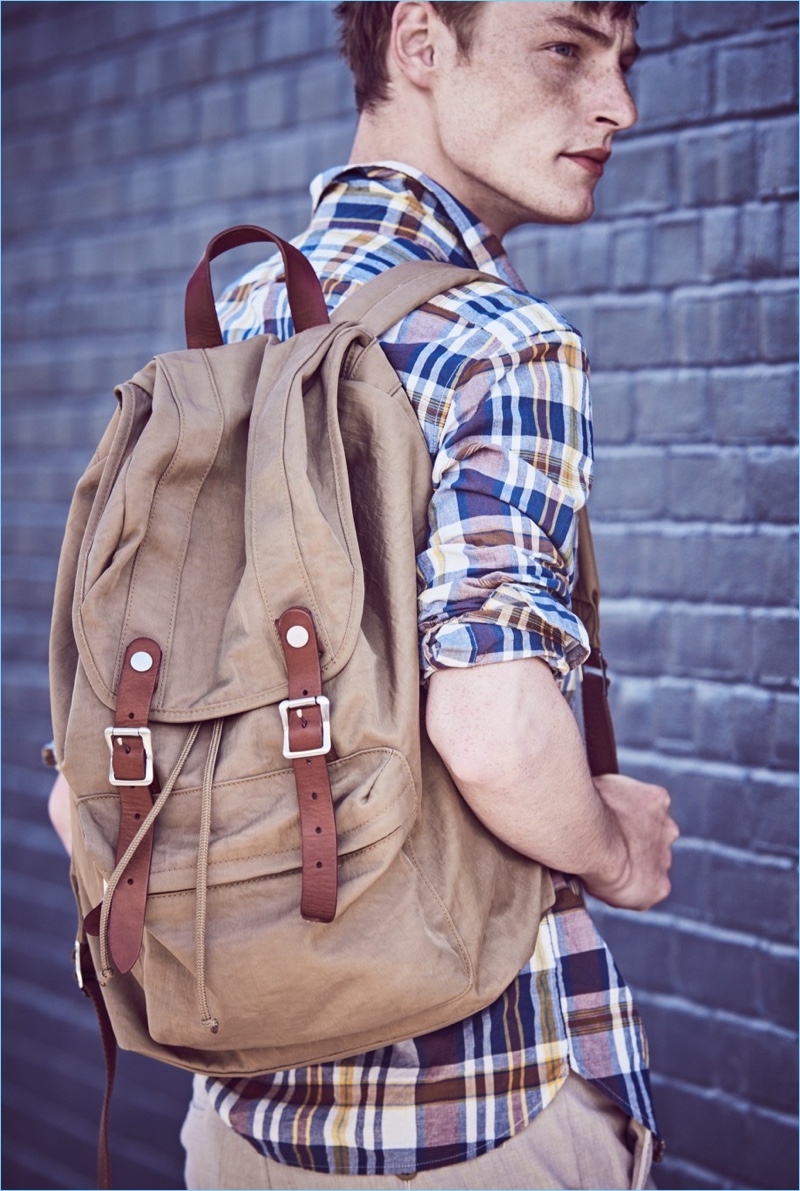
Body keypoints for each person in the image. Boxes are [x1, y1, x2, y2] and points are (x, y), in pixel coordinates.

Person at [50, 3, 679, 1188]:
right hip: (467, 1116)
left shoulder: (231, 331)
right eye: (565, 47)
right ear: (419, 42)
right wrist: (611, 847)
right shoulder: (502, 341)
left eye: (622, 63)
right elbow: (491, 729)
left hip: (234, 1110)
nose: (616, 107)